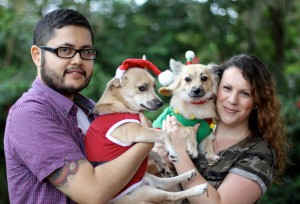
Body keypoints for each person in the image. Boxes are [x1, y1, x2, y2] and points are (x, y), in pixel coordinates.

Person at [4, 8, 153, 204]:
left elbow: (121, 171)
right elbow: (92, 193)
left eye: (86, 51)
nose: (78, 60)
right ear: (37, 55)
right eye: (64, 50)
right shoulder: (30, 115)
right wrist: (147, 141)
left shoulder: (90, 108)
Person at [162, 54, 290, 204]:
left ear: (257, 101)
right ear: (215, 87)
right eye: (227, 88)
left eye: (245, 93)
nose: (232, 100)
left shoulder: (258, 154)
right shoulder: (189, 128)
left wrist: (178, 154)